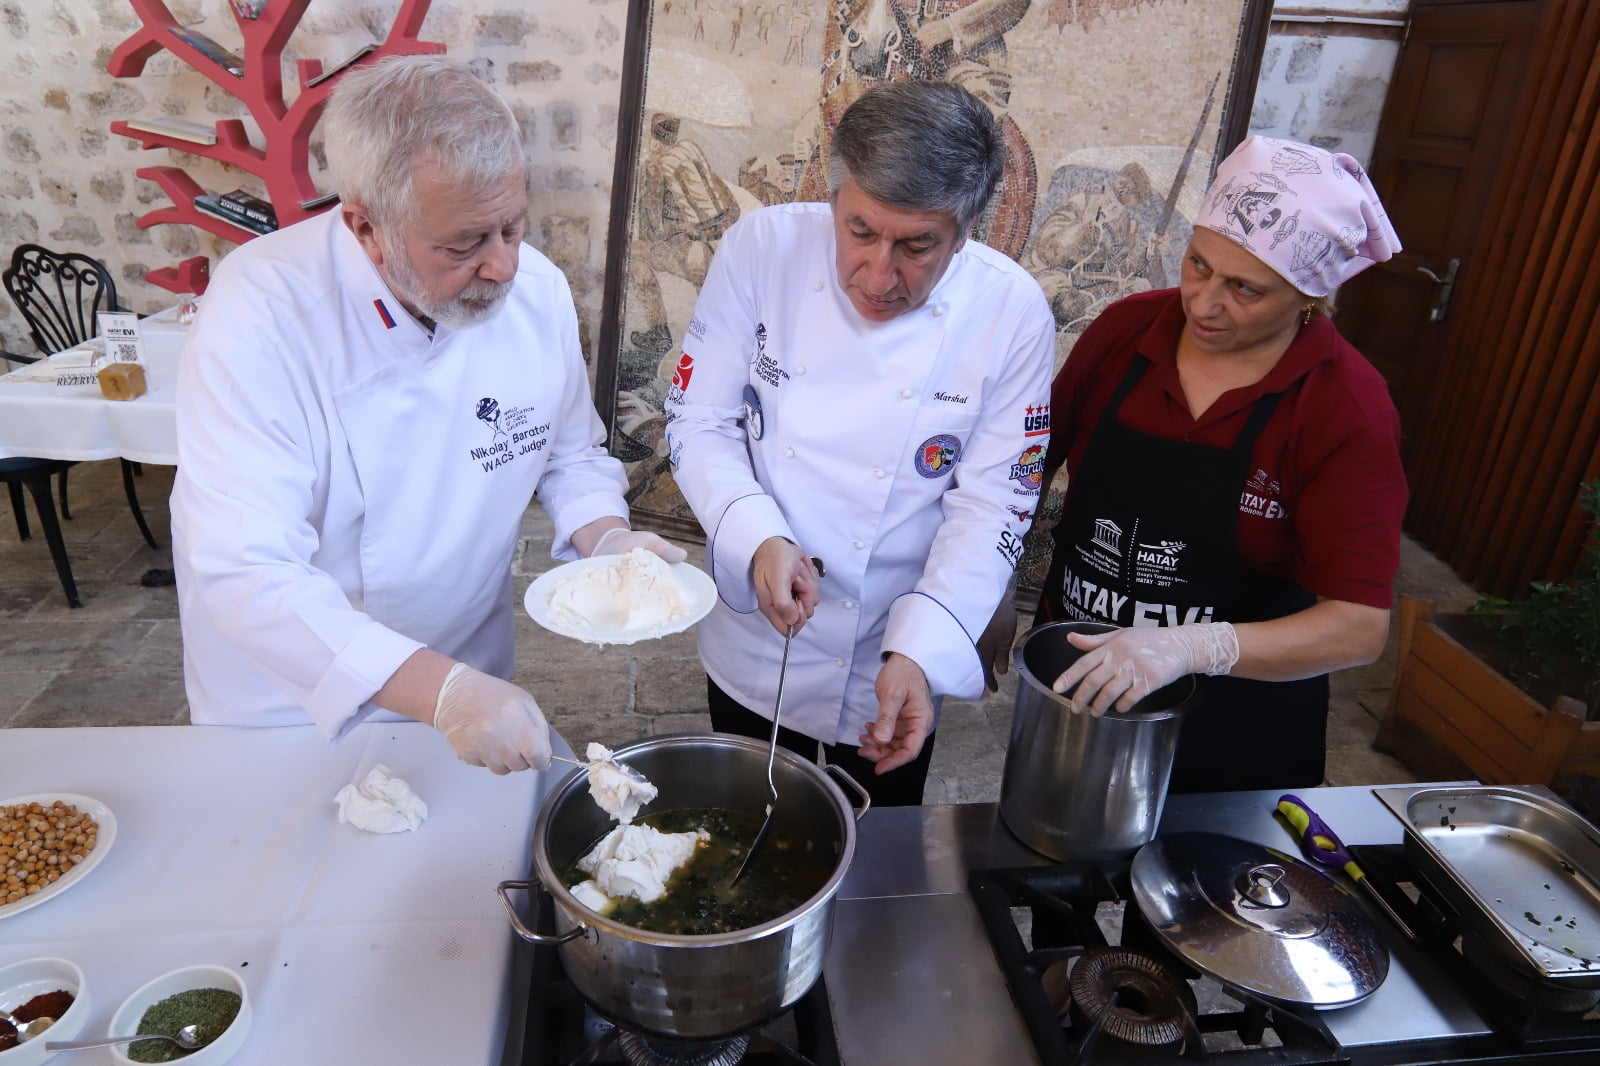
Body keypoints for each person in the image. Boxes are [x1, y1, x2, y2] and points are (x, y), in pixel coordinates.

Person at [169, 56, 683, 773]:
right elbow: (244, 569)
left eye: (513, 226)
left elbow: (569, 455)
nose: (503, 266)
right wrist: (437, 692)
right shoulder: (262, 315)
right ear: (365, 227)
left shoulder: (534, 290)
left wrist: (608, 542)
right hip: (294, 702)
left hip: (469, 668)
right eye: (464, 244)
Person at [664, 80, 1055, 805]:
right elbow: (697, 420)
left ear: (967, 228)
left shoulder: (1011, 312)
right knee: (741, 816)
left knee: (876, 861)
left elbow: (995, 504)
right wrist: (757, 540)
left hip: (894, 641)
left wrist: (923, 647)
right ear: (833, 196)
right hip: (758, 631)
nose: (879, 276)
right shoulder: (761, 249)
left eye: (917, 246)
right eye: (860, 231)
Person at [1023, 135, 1407, 793]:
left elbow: (1357, 627)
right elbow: (1021, 471)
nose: (1203, 303)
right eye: (1197, 265)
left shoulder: (1345, 407)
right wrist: (986, 594)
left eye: (1245, 289)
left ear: (1310, 298)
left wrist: (1189, 648)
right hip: (1077, 689)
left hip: (1233, 722)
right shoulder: (1125, 331)